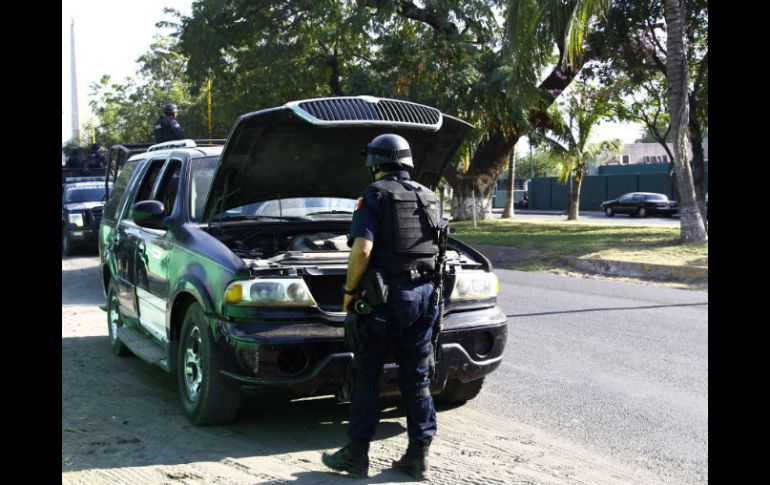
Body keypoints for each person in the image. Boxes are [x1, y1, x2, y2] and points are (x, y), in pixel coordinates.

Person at [322, 134, 441, 480]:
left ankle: (356, 456)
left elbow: (362, 251)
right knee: (417, 378)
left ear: (374, 163)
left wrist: (349, 291)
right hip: (425, 297)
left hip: (385, 300)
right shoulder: (429, 196)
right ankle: (418, 455)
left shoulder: (374, 195)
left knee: (367, 376)